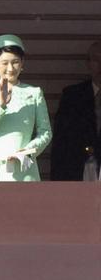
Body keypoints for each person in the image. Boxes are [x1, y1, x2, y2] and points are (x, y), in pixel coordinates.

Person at [0, 34, 51, 182]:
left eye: (15, 62)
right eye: (4, 63)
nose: (10, 68)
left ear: (22, 63)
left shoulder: (34, 92)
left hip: (24, 168)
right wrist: (1, 106)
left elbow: (45, 132)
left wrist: (27, 152)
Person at [50, 40, 101, 181]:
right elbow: (61, 141)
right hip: (79, 169)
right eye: (96, 59)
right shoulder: (72, 95)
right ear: (88, 64)